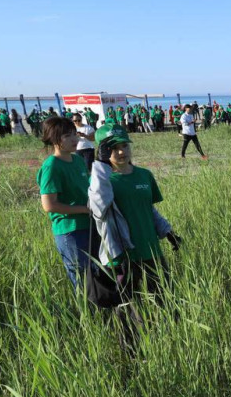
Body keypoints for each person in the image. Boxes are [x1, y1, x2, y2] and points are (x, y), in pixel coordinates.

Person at [89, 124, 181, 335]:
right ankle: (134, 352)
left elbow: (149, 208)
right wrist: (99, 166)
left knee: (166, 299)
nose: (121, 152)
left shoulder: (144, 175)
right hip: (123, 257)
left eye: (124, 146)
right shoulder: (102, 182)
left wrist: (167, 232)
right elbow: (98, 206)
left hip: (151, 251)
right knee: (129, 308)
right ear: (103, 151)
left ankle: (169, 339)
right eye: (113, 148)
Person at [36, 117, 96, 288]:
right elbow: (49, 205)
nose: (75, 139)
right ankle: (88, 313)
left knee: (96, 273)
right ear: (54, 139)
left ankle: (102, 312)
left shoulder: (77, 160)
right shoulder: (52, 166)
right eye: (67, 136)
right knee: (82, 277)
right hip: (70, 231)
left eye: (74, 134)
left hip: (89, 225)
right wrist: (84, 210)